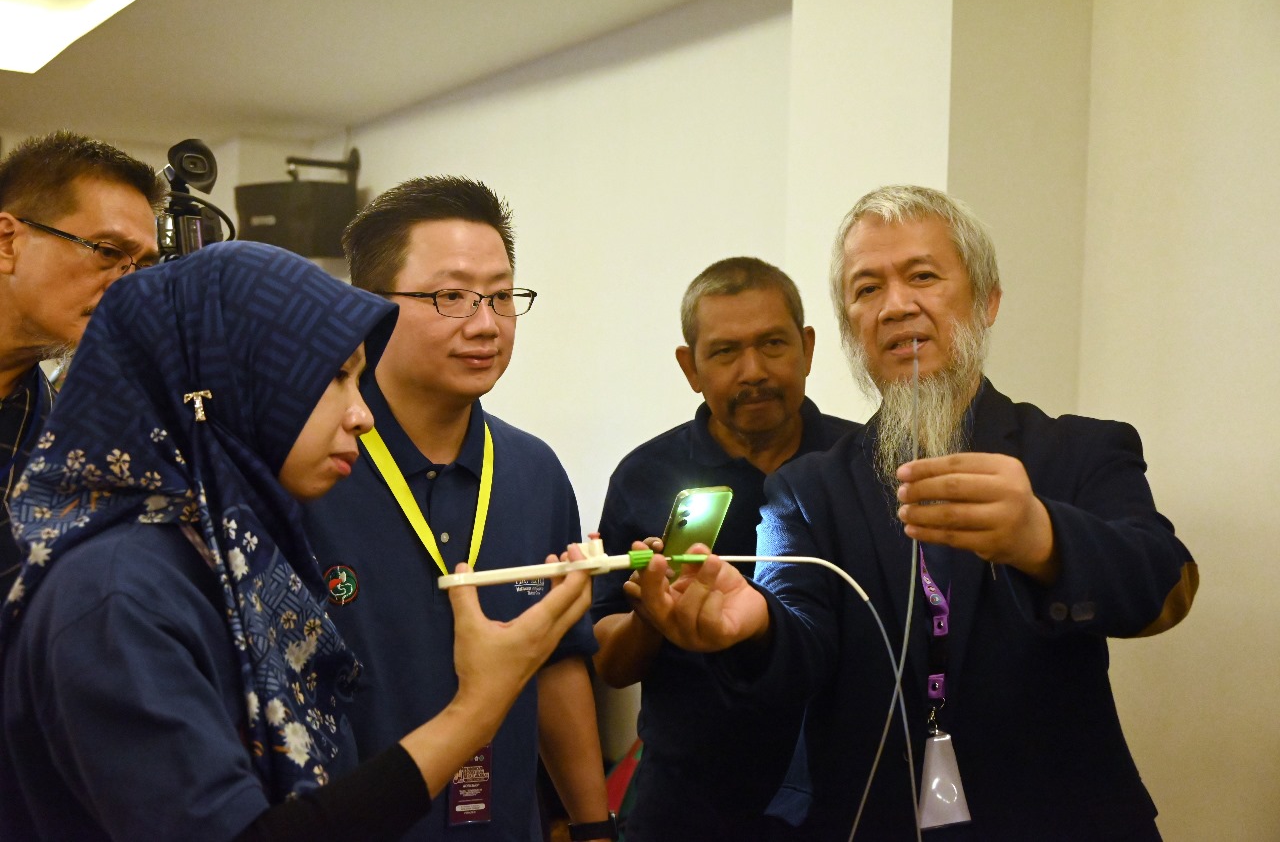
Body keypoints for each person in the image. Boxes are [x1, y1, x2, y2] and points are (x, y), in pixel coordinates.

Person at [628, 186, 1199, 840]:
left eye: (923, 276)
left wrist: (1042, 538)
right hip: (878, 816)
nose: (896, 305)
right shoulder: (806, 489)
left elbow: (1164, 589)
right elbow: (800, 636)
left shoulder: (1080, 449)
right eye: (867, 288)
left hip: (1057, 815)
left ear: (986, 301)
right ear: (849, 328)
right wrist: (755, 625)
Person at [0, 241, 595, 841]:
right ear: (227, 381)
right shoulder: (116, 595)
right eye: (336, 377)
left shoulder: (226, 556)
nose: (361, 415)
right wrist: (478, 706)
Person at [303, 177, 612, 841]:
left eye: (501, 297)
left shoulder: (533, 471)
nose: (485, 324)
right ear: (370, 308)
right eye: (451, 297)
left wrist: (594, 827)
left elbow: (557, 662)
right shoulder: (313, 466)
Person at [591, 257, 855, 840]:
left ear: (808, 348)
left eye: (773, 344)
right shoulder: (644, 476)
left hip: (843, 793)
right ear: (690, 367)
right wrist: (650, 615)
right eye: (726, 352)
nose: (753, 370)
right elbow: (610, 666)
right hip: (686, 799)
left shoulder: (862, 464)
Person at [0, 130, 164, 589]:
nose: (127, 287)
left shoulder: (61, 436)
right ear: (7, 241)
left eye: (142, 267)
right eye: (108, 252)